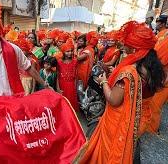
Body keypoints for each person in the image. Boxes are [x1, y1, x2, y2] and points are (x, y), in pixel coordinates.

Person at [75, 21, 165, 163]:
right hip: (140, 119)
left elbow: (113, 100)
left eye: (127, 43)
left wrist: (104, 81)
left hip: (120, 122)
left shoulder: (130, 71)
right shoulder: (153, 68)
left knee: (110, 153)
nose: (123, 45)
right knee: (129, 148)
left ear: (135, 48)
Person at [56, 39, 78, 111]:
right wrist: (58, 88)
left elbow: (76, 76)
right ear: (63, 52)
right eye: (67, 51)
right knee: (63, 104)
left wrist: (75, 88)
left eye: (71, 51)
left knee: (71, 105)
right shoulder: (59, 62)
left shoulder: (75, 61)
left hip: (71, 86)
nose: (70, 53)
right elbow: (57, 76)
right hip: (62, 85)